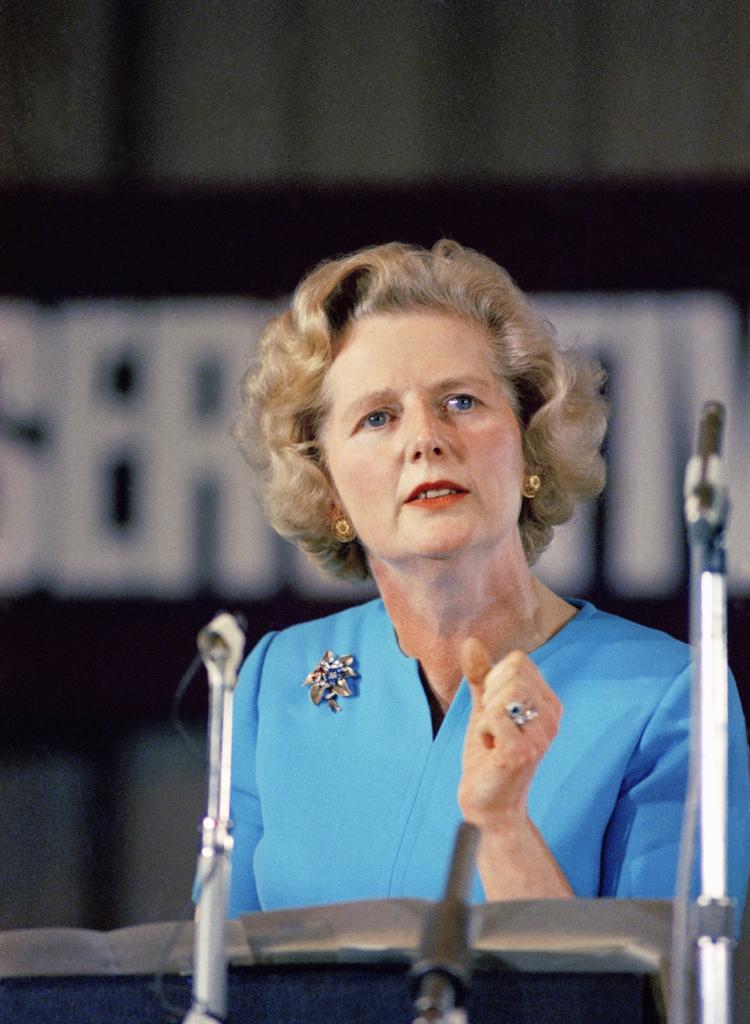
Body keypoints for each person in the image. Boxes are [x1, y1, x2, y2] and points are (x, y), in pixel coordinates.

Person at [227, 239, 750, 917]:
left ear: (529, 447)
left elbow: (665, 981)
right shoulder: (275, 682)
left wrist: (502, 827)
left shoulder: (667, 695)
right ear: (328, 490)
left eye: (461, 401)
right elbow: (219, 966)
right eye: (378, 417)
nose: (425, 438)